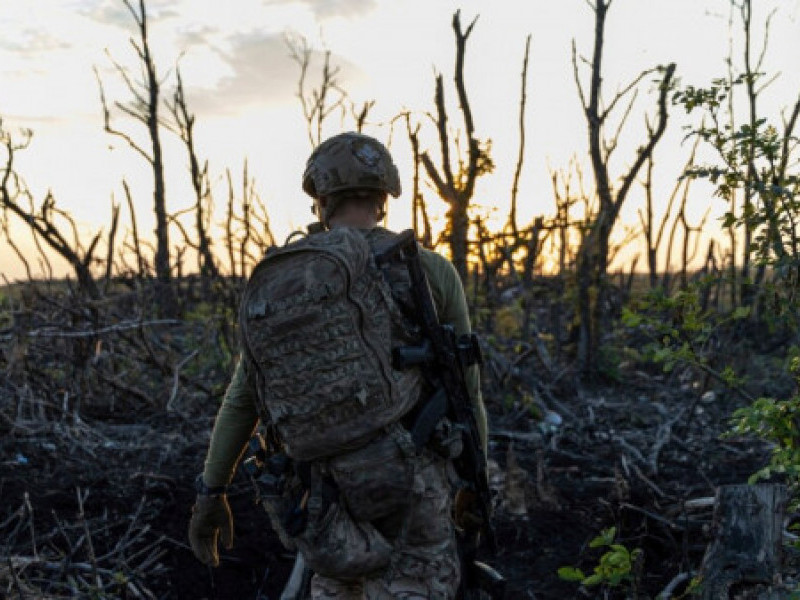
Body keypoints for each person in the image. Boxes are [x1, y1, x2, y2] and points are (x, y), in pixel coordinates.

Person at [188, 132, 488, 599]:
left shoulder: (289, 284)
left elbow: (244, 397)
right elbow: (466, 390)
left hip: (326, 493)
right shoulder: (429, 270)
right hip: (414, 486)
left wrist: (212, 492)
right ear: (385, 198)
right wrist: (475, 481)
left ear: (320, 200)